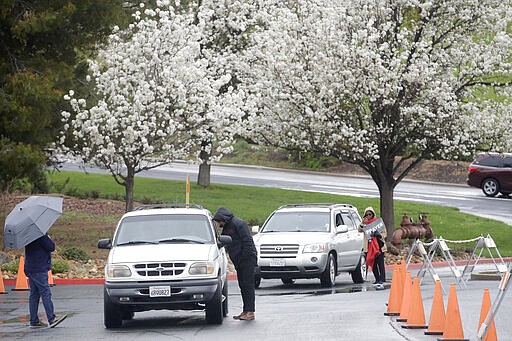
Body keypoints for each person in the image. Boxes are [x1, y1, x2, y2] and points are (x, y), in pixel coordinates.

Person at [213, 207, 257, 321]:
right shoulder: (228, 226)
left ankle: (250, 312)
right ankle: (246, 310)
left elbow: (247, 242)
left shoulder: (239, 223)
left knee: (248, 285)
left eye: (219, 221)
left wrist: (244, 258)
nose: (219, 224)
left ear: (223, 218)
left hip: (247, 258)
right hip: (239, 260)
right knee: (243, 285)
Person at [24, 234, 67, 328]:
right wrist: (47, 237)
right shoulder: (40, 235)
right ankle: (52, 318)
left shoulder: (28, 235)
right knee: (45, 292)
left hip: (30, 267)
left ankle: (34, 320)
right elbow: (51, 247)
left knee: (34, 295)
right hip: (39, 268)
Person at [358, 207, 387, 290]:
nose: (368, 216)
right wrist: (363, 223)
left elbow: (385, 233)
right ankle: (377, 279)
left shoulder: (378, 222)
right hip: (369, 247)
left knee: (380, 263)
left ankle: (382, 279)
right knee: (372, 263)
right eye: (366, 215)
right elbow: (359, 230)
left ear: (373, 214)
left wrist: (379, 235)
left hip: (379, 246)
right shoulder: (365, 224)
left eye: (370, 214)